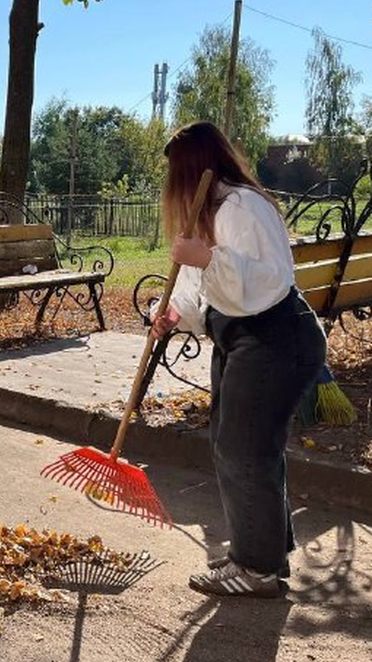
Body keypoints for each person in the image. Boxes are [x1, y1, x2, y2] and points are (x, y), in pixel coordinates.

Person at [151, 121, 326, 598]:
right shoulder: (207, 211)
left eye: (175, 172)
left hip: (276, 337)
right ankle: (264, 556)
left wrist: (207, 260)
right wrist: (172, 312)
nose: (173, 185)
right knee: (242, 447)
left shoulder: (243, 206)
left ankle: (256, 568)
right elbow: (195, 290)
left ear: (192, 168)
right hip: (241, 339)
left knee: (244, 449)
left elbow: (267, 280)